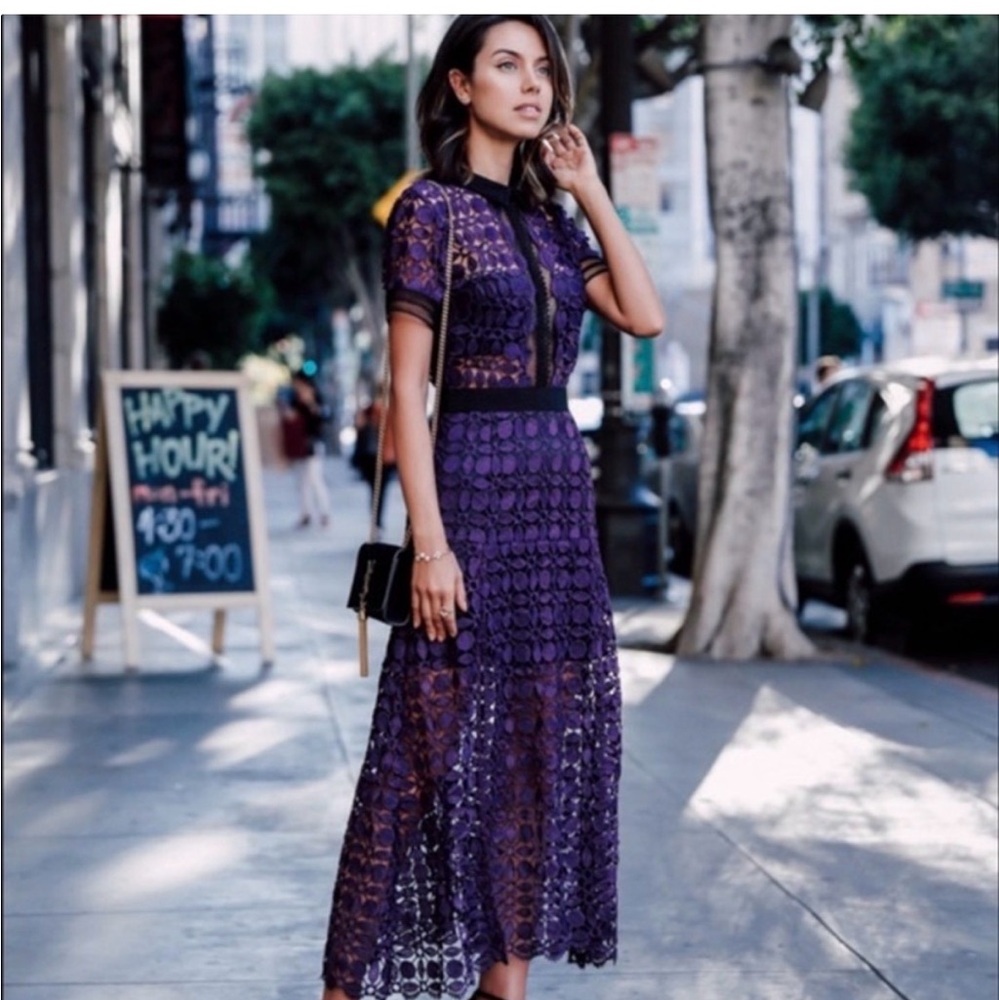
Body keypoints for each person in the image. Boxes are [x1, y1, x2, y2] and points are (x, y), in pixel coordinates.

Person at [320, 16, 664, 1000]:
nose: (530, 84)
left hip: (557, 503)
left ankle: (502, 987)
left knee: (535, 752)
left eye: (542, 69)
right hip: (466, 491)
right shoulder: (428, 211)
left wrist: (589, 187)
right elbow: (405, 392)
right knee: (414, 758)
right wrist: (429, 544)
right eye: (506, 66)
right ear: (462, 87)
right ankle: (344, 988)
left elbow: (643, 315)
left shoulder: (555, 222)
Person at [280, 370, 332, 528]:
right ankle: (306, 513)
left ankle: (324, 513)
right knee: (301, 482)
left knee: (315, 479)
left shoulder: (315, 397)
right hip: (299, 445)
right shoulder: (294, 399)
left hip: (313, 444)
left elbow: (324, 417)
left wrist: (310, 403)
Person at [352, 382, 397, 534]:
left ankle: (377, 521)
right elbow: (359, 426)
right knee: (377, 490)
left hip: (381, 457)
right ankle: (376, 521)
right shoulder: (373, 410)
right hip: (374, 457)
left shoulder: (385, 411)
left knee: (378, 490)